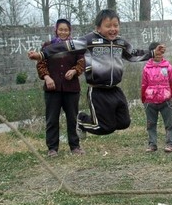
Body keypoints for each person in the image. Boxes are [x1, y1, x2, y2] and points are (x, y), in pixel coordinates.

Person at [28, 9, 163, 136]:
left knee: (124, 122)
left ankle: (94, 122)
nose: (113, 29)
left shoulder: (120, 43)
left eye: (115, 25)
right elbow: (65, 47)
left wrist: (152, 53)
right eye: (108, 26)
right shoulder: (89, 41)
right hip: (98, 91)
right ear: (98, 28)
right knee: (104, 127)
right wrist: (42, 54)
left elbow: (133, 55)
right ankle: (81, 121)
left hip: (115, 90)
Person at [34, 19, 85, 157]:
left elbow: (81, 63)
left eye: (66, 30)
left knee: (72, 118)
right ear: (56, 30)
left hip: (71, 89)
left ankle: (75, 146)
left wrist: (74, 71)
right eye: (60, 29)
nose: (63, 32)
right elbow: (41, 64)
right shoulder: (47, 46)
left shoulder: (75, 46)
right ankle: (52, 148)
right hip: (53, 89)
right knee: (52, 119)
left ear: (70, 31)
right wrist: (47, 77)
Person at [141, 42, 172, 153]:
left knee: (169, 124)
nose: (159, 55)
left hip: (166, 99)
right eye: (156, 53)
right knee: (151, 124)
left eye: (161, 53)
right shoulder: (146, 68)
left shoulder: (168, 66)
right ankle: (152, 145)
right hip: (150, 100)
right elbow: (144, 84)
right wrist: (144, 98)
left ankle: (170, 144)